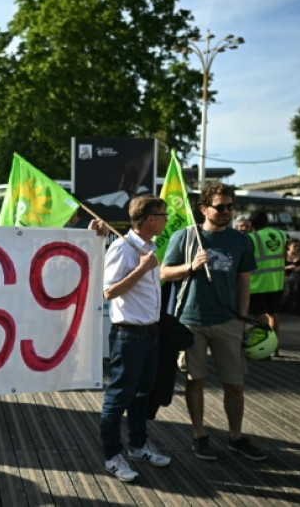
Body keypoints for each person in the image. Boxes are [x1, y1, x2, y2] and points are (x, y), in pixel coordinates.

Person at [160, 182, 266, 462]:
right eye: (220, 207)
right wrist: (190, 266)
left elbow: (244, 283)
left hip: (229, 321)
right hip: (190, 321)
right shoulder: (184, 237)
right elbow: (164, 273)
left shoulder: (241, 241)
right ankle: (199, 435)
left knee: (235, 383)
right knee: (195, 381)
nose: (227, 212)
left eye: (231, 207)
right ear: (204, 208)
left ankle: (236, 436)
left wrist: (242, 319)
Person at [100, 196, 172, 482]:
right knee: (118, 397)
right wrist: (141, 269)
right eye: (163, 215)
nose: (167, 219)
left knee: (143, 394)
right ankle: (111, 456)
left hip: (150, 333)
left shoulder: (148, 246)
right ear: (151, 219)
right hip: (129, 335)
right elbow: (108, 292)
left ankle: (139, 446)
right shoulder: (122, 248)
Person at [247, 211, 287, 357]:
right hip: (276, 282)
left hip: (257, 284)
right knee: (273, 314)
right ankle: (275, 345)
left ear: (251, 224)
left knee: (259, 315)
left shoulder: (251, 238)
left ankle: (265, 345)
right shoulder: (281, 234)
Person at [282, 239, 300, 310]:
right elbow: (278, 268)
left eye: (298, 246)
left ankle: (286, 301)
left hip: (298, 276)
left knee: (292, 280)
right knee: (289, 280)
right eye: (295, 246)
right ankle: (291, 303)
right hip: (285, 275)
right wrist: (287, 267)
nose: (297, 248)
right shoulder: (284, 255)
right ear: (289, 246)